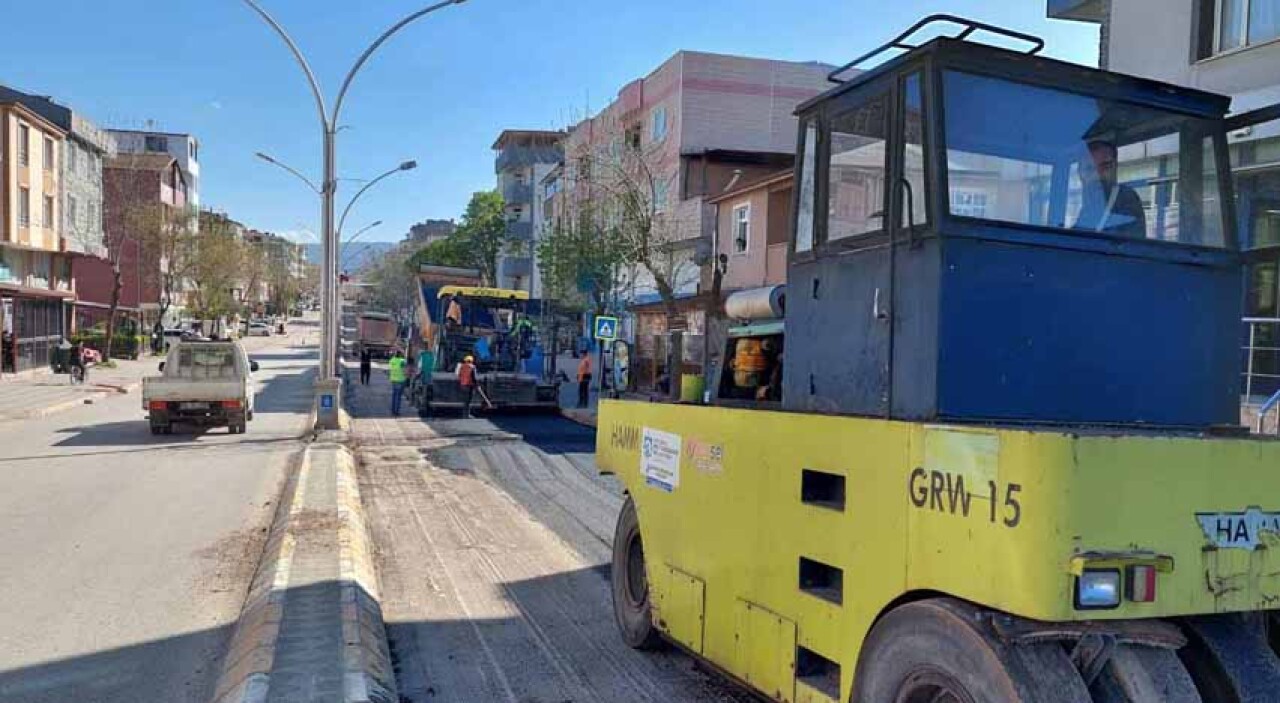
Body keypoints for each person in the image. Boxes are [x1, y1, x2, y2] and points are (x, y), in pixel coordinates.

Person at [1073, 140, 1147, 239]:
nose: (1098, 174)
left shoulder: (1125, 198)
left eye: (1106, 166)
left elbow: (1126, 245)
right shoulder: (1086, 205)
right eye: (1090, 168)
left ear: (1115, 167)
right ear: (1080, 173)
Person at [388, 349, 408, 416]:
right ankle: (396, 412)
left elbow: (390, 369)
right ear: (400, 355)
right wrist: (407, 376)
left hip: (393, 380)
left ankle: (393, 410)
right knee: (398, 397)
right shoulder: (402, 361)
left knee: (394, 396)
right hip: (400, 380)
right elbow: (404, 370)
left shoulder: (391, 360)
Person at [457, 354, 478, 418]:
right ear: (471, 361)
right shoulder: (472, 367)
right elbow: (474, 377)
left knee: (465, 401)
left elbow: (459, 375)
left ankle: (464, 414)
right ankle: (467, 415)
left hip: (463, 385)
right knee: (468, 401)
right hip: (469, 385)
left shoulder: (462, 366)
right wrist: (476, 385)